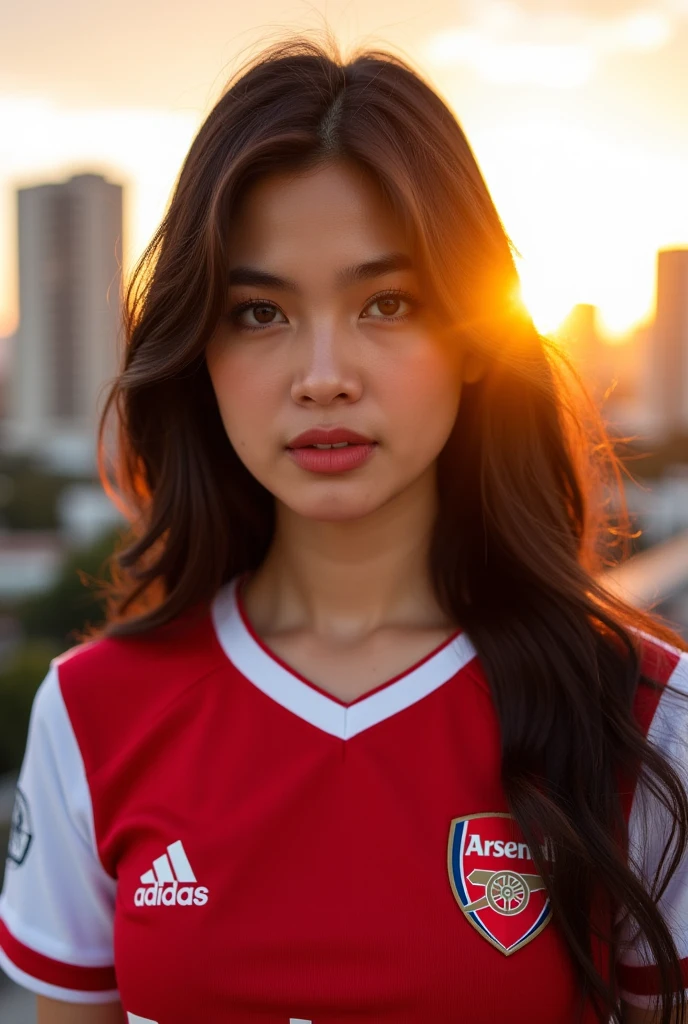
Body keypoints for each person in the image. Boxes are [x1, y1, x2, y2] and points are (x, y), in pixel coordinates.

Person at [1, 31, 687, 1024]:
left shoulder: (643, 717)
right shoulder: (92, 714)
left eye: (387, 302)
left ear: (474, 340)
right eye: (260, 314)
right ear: (200, 349)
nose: (324, 373)